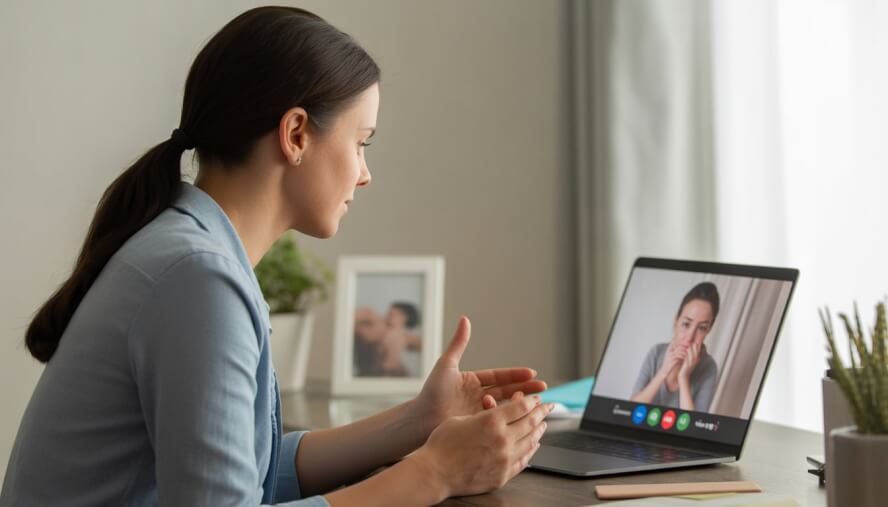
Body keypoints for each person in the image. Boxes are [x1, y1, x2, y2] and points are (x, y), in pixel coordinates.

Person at [0, 7, 552, 506]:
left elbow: (253, 475)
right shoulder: (196, 278)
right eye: (362, 142)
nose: (365, 173)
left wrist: (418, 422)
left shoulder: (188, 251)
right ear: (295, 134)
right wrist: (434, 473)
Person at [630, 282, 720, 412]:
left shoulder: (708, 367)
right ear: (676, 321)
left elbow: (693, 429)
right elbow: (631, 409)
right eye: (686, 324)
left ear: (708, 330)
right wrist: (663, 372)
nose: (690, 337)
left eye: (701, 328)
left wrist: (683, 378)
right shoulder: (657, 352)